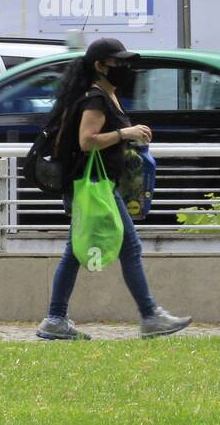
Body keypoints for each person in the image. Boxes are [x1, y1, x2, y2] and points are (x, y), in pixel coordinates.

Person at [36, 38, 192, 340]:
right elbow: (87, 140)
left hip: (95, 183)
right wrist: (125, 133)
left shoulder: (104, 94)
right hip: (94, 184)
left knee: (74, 251)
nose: (124, 68)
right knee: (129, 247)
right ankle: (150, 317)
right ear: (99, 66)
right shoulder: (96, 98)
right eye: (118, 63)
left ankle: (55, 319)